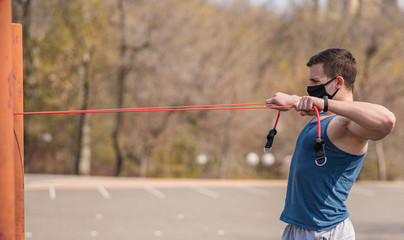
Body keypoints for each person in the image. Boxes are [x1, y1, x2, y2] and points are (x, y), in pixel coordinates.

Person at [265, 48, 396, 240]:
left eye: (315, 81)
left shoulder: (347, 125)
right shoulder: (326, 117)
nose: (309, 86)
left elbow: (387, 120)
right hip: (299, 227)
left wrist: (310, 102)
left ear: (338, 82)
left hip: (324, 231)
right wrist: (310, 106)